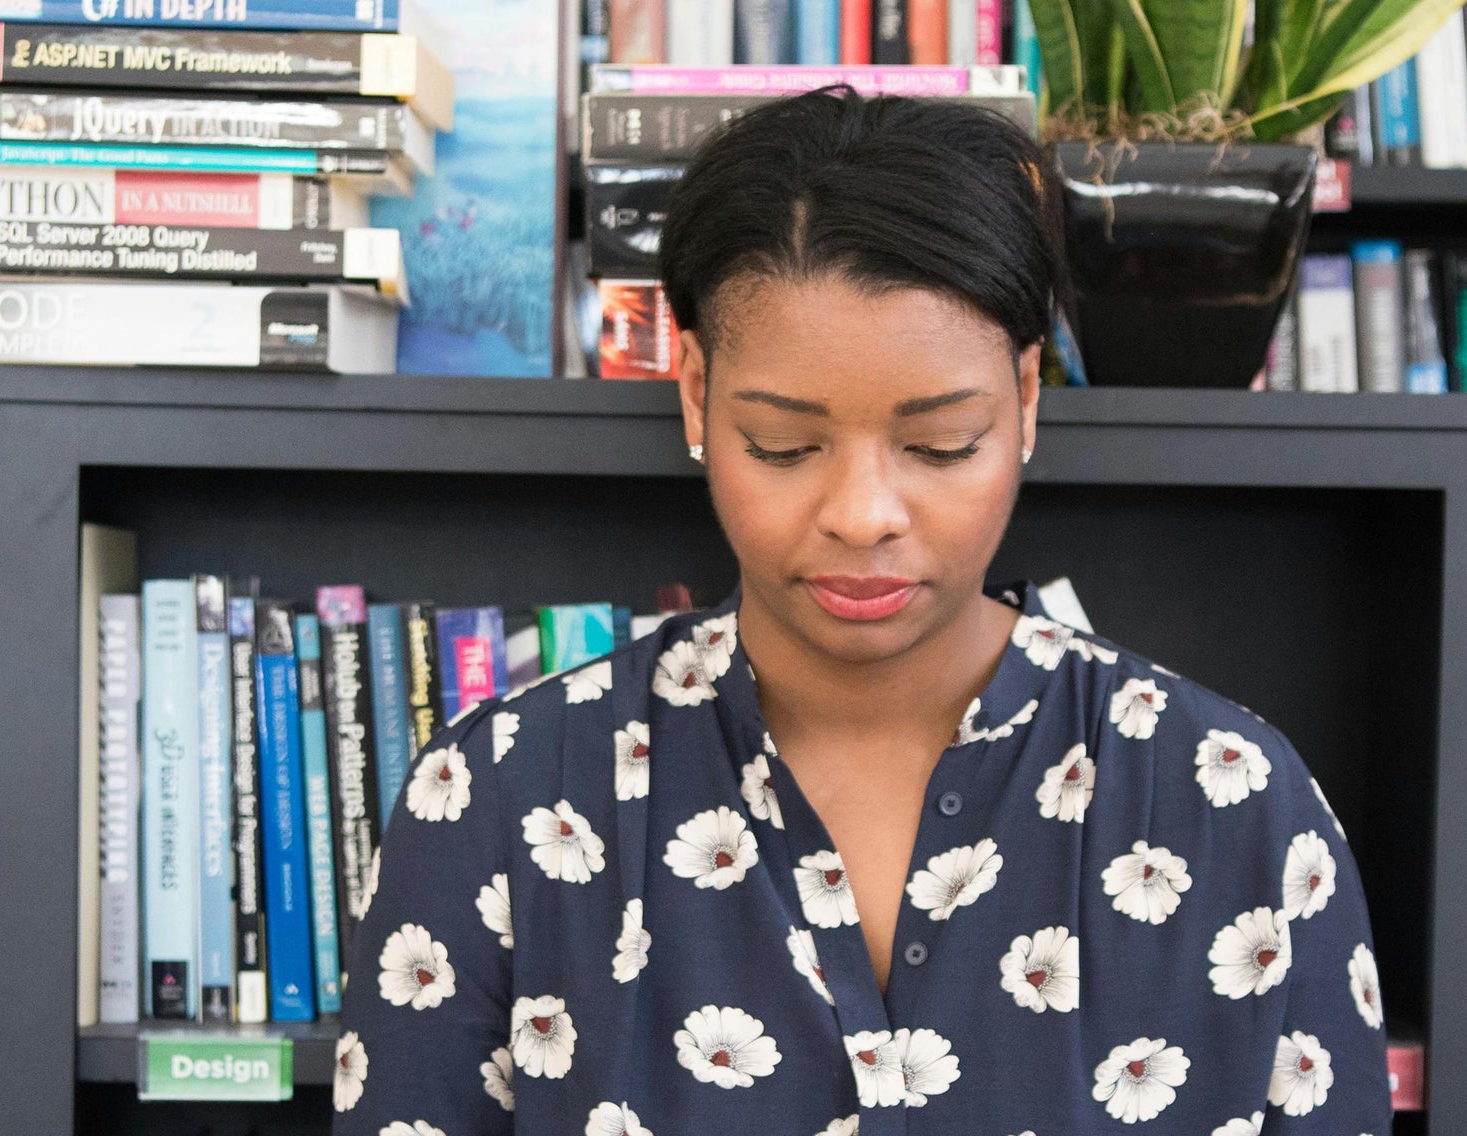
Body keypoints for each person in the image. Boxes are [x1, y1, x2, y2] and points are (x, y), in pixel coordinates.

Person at [332, 87, 1390, 1136]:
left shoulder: (1237, 805)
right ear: (695, 393)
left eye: (938, 445)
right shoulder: (495, 798)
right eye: (784, 446)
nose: (862, 515)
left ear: (1024, 398)